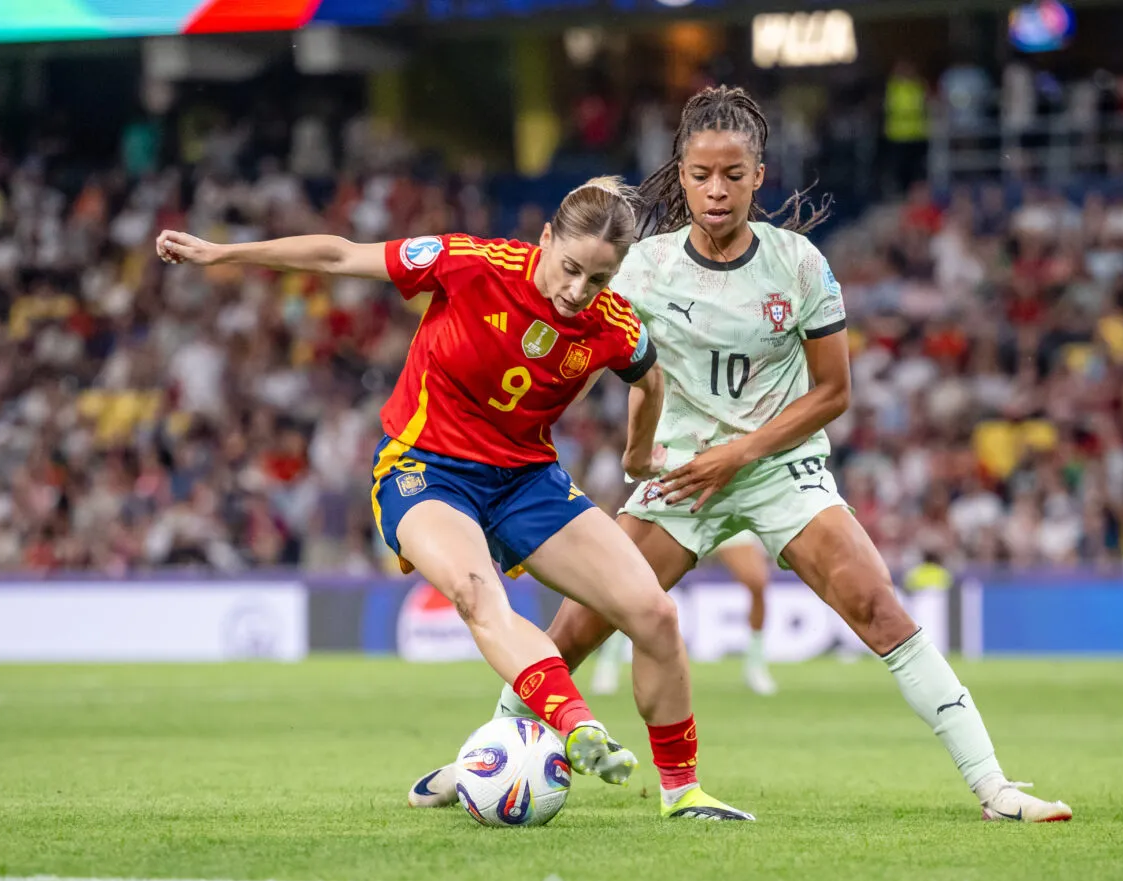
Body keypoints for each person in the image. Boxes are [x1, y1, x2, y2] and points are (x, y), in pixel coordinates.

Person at [412, 86, 1073, 823]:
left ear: (759, 175)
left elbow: (832, 392)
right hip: (680, 476)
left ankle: (995, 786)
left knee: (878, 605)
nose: (716, 189)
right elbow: (573, 327)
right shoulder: (642, 268)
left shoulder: (800, 264)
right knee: (574, 630)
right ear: (682, 174)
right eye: (700, 174)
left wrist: (741, 454)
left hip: (778, 469)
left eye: (733, 174)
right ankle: (482, 760)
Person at [155, 176, 751, 820]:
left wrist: (638, 454)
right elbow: (338, 255)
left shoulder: (613, 325)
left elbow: (649, 377)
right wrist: (221, 254)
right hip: (426, 470)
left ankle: (682, 794)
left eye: (599, 280)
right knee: (475, 591)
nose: (578, 293)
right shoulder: (470, 263)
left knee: (654, 615)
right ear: (546, 239)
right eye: (571, 269)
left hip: (528, 480)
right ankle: (574, 725)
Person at [591, 531, 776, 697]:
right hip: (688, 513)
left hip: (727, 512)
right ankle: (609, 661)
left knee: (757, 582)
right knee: (645, 589)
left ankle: (755, 664)